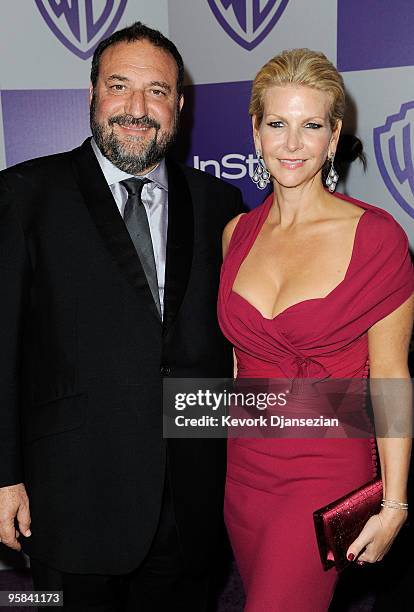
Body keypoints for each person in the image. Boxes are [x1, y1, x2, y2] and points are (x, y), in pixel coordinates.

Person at [0, 21, 244, 611]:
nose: (137, 108)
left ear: (179, 106)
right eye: (120, 86)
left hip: (190, 498)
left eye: (157, 91)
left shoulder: (219, 203)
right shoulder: (24, 194)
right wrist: (3, 476)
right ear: (91, 96)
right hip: (69, 496)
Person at [218, 48, 414, 611]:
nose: (293, 144)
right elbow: (238, 365)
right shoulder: (237, 234)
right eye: (278, 124)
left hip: (327, 468)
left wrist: (395, 502)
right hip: (244, 469)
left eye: (311, 126)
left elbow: (391, 377)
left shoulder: (377, 239)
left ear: (333, 138)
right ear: (255, 133)